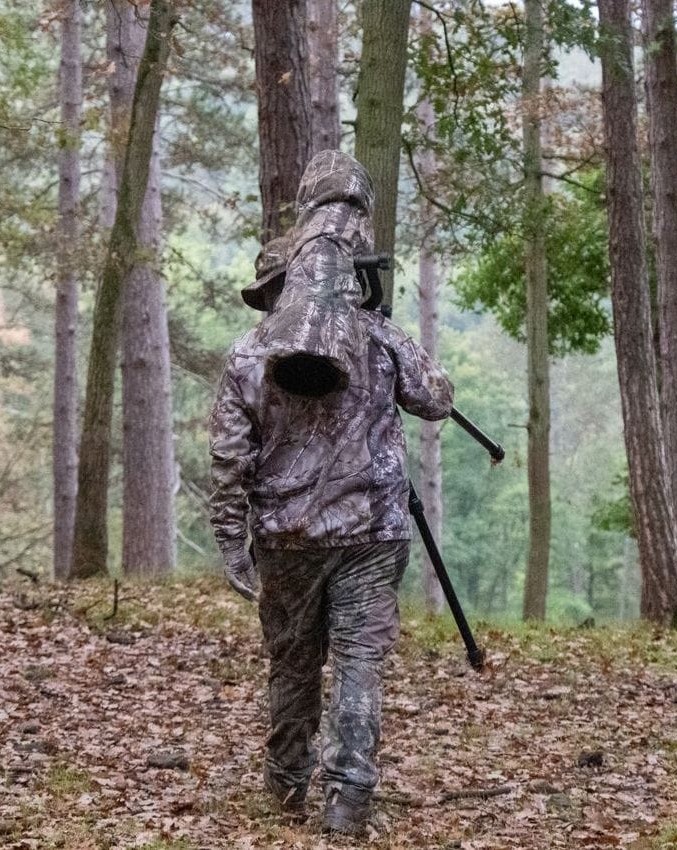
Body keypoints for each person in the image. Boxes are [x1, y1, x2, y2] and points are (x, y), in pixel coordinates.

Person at [207, 150, 454, 835]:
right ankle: (348, 801)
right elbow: (436, 399)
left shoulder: (247, 354)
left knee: (292, 661)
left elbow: (228, 461)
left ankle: (286, 784)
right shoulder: (377, 337)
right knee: (358, 663)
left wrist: (231, 542)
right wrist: (384, 324)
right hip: (371, 533)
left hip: (286, 538)